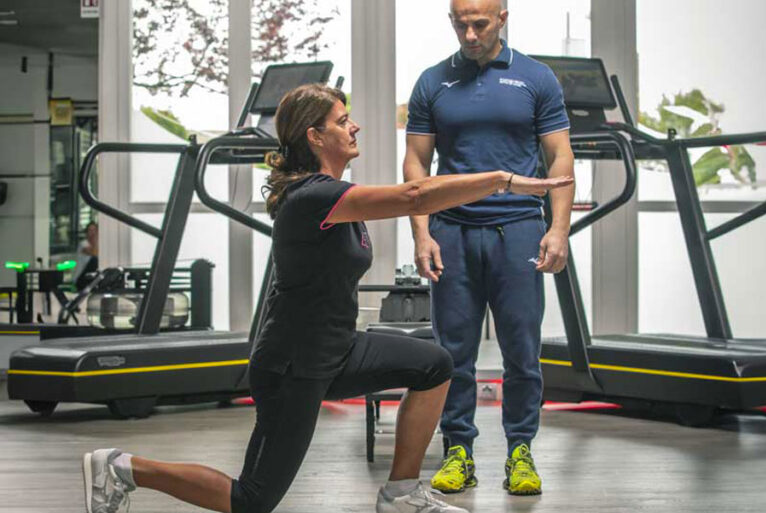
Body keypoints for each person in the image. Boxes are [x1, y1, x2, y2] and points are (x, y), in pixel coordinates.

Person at [82, 84, 571, 513]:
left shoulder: (333, 191)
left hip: (339, 347)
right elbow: (414, 196)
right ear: (315, 137)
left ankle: (401, 493)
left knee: (434, 364)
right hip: (294, 363)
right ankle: (123, 468)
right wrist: (502, 180)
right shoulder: (312, 197)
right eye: (342, 121)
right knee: (252, 498)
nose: (354, 126)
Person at [404, 0, 575, 497]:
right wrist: (421, 232)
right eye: (461, 24)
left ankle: (520, 450)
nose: (470, 33)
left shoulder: (536, 78)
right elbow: (416, 163)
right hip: (451, 230)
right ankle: (459, 449)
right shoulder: (433, 81)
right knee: (451, 352)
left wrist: (558, 228)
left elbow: (559, 154)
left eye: (479, 23)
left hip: (519, 228)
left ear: (503, 17)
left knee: (522, 351)